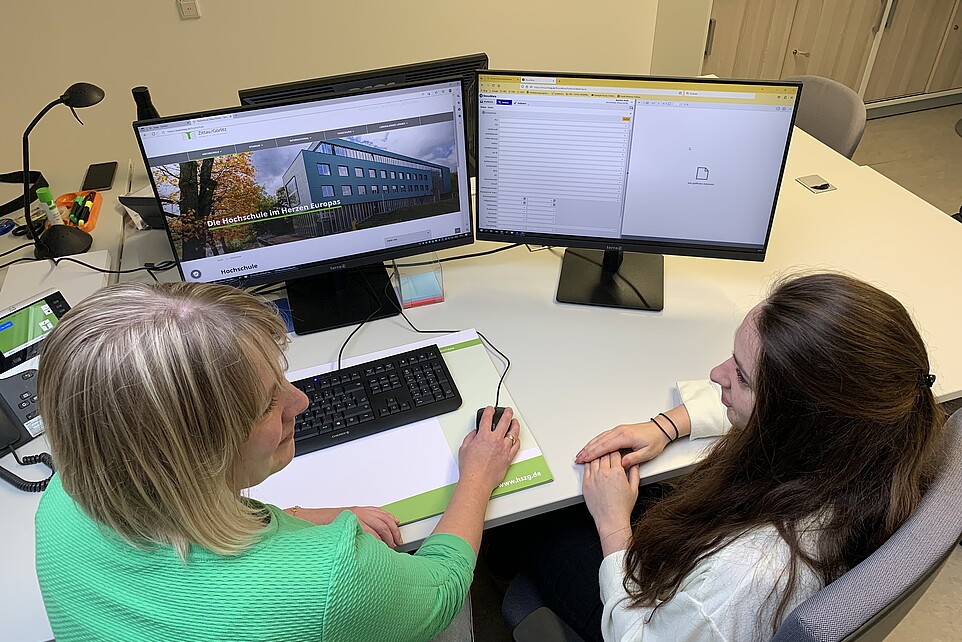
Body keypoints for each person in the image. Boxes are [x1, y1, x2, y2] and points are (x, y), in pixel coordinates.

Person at [34, 281, 521, 642]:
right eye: (268, 403)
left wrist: (299, 520)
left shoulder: (63, 498)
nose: (300, 402)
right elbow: (441, 589)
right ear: (192, 453)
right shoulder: (331, 579)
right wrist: (477, 476)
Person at [526, 272, 946, 641]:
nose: (716, 375)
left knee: (547, 527)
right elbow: (774, 394)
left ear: (795, 419)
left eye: (741, 377)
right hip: (699, 570)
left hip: (652, 617)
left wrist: (613, 524)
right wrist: (667, 425)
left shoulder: (746, 578)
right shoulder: (873, 440)